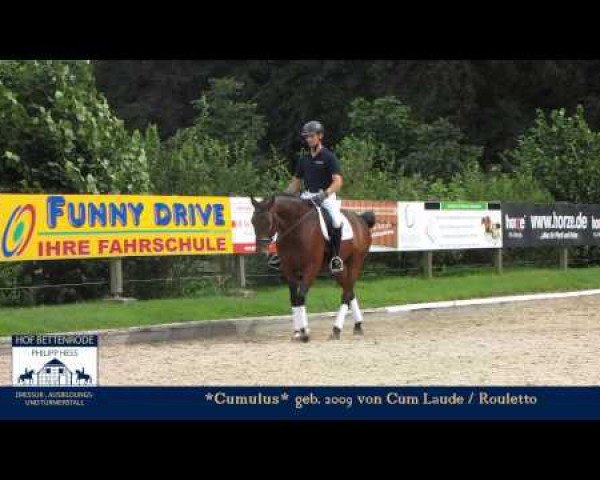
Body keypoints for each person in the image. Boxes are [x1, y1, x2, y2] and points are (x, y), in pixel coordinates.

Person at [284, 120, 345, 273]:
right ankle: (283, 254)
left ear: (320, 136)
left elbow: (338, 181)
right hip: (307, 196)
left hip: (326, 196)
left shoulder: (328, 157)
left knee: (337, 222)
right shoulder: (303, 159)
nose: (309, 139)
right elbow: (295, 184)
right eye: (307, 137)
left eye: (312, 136)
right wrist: (282, 197)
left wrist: (324, 194)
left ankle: (335, 258)